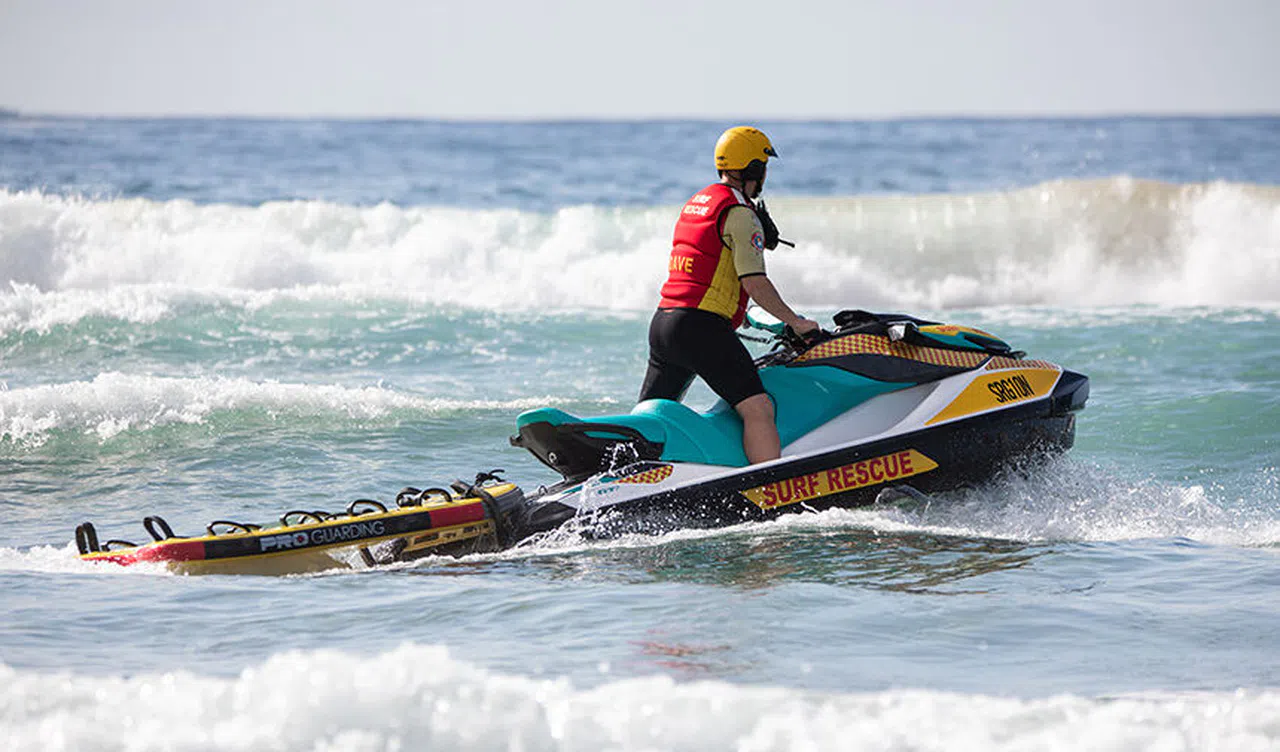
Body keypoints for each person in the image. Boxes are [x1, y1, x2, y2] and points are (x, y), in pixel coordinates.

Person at [638, 126, 820, 464]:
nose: (765, 174)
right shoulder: (740, 213)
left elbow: (709, 276)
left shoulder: (699, 202)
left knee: (647, 418)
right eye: (763, 166)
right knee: (758, 408)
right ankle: (771, 492)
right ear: (754, 169)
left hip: (664, 323)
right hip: (699, 328)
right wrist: (795, 322)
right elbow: (755, 283)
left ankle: (616, 484)